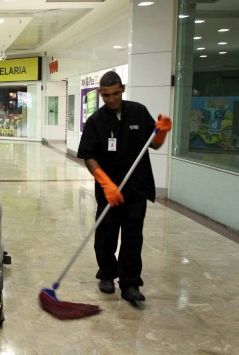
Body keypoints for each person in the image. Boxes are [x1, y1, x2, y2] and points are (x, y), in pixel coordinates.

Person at [76, 70, 172, 304]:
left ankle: (130, 284)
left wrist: (161, 133)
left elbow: (155, 145)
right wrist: (106, 183)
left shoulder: (138, 112)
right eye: (106, 95)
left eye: (115, 93)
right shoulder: (95, 121)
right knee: (105, 236)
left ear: (123, 89)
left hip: (136, 189)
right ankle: (107, 274)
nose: (111, 99)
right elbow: (88, 156)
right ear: (100, 93)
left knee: (132, 238)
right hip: (108, 192)